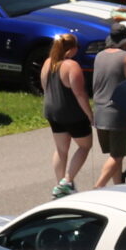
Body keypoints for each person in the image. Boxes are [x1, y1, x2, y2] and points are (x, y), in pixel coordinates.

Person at [90, 22, 126, 188]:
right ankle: (98, 187)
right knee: (117, 156)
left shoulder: (99, 56)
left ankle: (118, 187)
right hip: (118, 114)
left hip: (99, 112)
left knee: (114, 155)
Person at [42, 33, 94, 198]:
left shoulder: (47, 63)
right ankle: (67, 181)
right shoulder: (72, 66)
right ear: (71, 49)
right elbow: (80, 94)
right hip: (71, 112)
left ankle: (60, 185)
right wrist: (90, 114)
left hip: (52, 111)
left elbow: (45, 86)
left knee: (61, 149)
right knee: (85, 146)